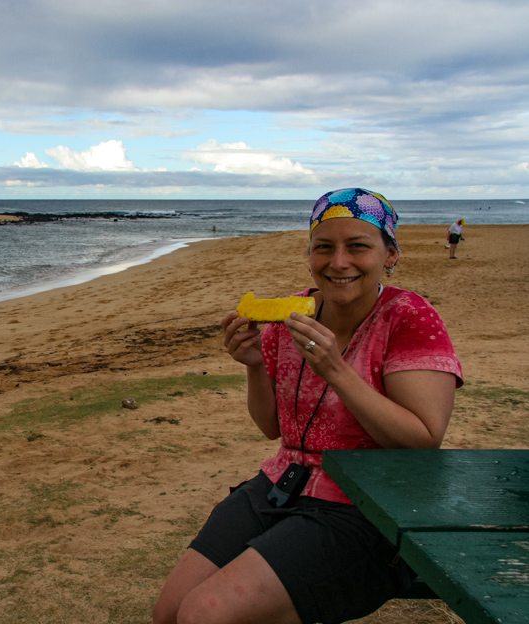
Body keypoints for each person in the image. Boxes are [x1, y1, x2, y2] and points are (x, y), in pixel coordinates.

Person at [153, 188, 463, 624]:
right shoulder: (291, 317)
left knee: (204, 614)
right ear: (310, 254)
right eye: (324, 247)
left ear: (389, 255)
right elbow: (271, 428)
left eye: (358, 246)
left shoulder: (408, 316)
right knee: (169, 613)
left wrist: (337, 370)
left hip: (367, 504)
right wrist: (255, 365)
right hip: (284, 483)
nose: (339, 262)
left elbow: (423, 439)